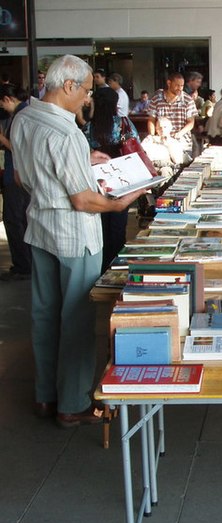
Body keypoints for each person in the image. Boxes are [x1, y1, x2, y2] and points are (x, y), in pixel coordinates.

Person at [10, 54, 147, 426]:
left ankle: (45, 396)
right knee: (76, 317)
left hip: (38, 226)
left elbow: (24, 178)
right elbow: (84, 200)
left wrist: (84, 160)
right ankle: (73, 403)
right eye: (86, 90)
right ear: (68, 85)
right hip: (75, 234)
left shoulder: (23, 117)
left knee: (44, 313)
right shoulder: (66, 130)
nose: (88, 98)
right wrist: (119, 203)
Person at [85, 86, 140, 271]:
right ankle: (116, 267)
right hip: (120, 181)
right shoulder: (123, 123)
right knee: (118, 227)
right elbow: (136, 146)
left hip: (95, 183)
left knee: (99, 228)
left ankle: (100, 267)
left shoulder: (88, 127)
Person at [0, 84, 32, 281]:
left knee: (15, 219)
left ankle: (23, 265)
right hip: (17, 174)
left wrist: (2, 140)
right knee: (19, 219)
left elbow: (20, 148)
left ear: (8, 99)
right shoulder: (22, 114)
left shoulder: (22, 116)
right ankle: (24, 264)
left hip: (17, 175)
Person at [147, 72, 198, 157]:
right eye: (177, 85)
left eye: (182, 86)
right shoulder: (156, 99)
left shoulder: (188, 100)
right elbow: (151, 120)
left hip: (182, 144)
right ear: (169, 83)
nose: (180, 88)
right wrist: (152, 137)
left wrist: (179, 134)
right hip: (162, 144)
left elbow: (191, 122)